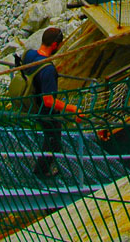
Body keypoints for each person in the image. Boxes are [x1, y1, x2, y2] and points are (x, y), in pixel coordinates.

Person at [23, 27, 81, 178]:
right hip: (44, 110)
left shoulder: (29, 54)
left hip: (31, 103)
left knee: (50, 137)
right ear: (55, 45)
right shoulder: (48, 69)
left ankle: (41, 169)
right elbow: (48, 100)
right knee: (54, 140)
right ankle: (41, 171)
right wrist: (72, 108)